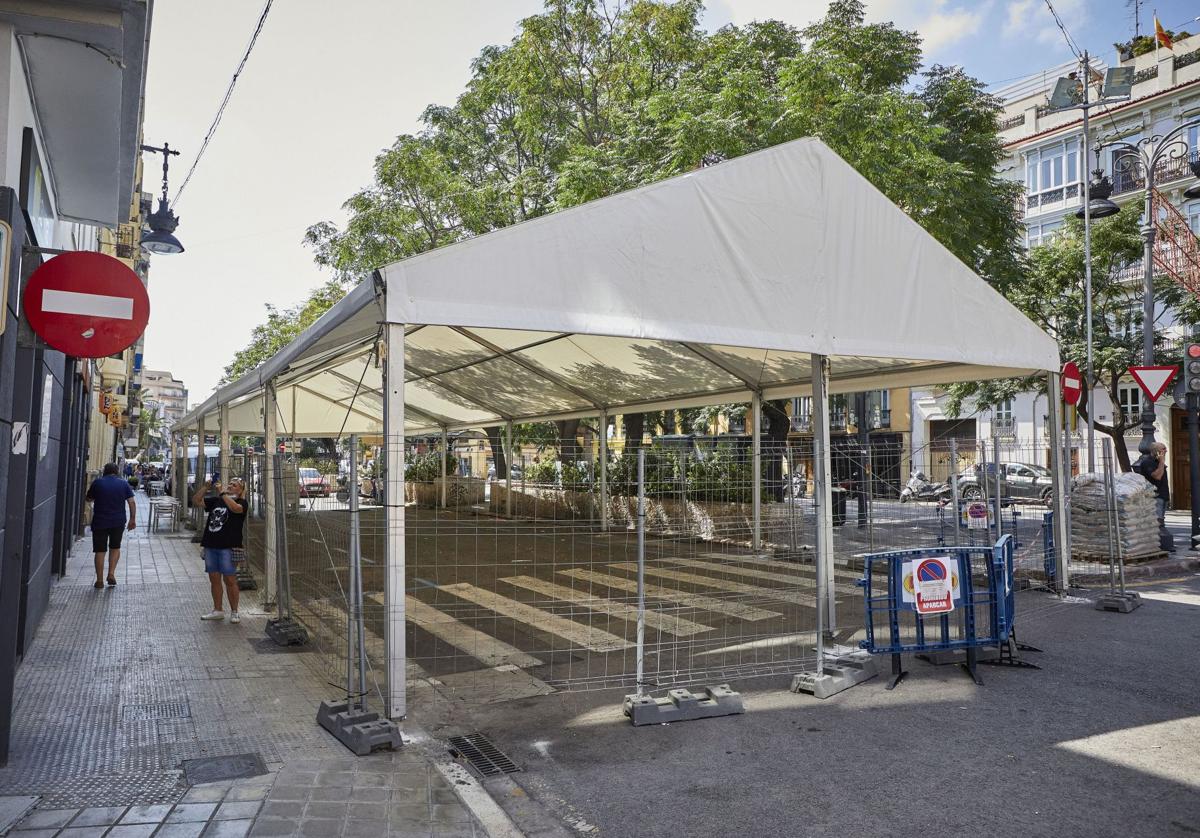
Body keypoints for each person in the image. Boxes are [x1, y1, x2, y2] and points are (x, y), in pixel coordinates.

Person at [193, 478, 248, 623]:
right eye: (229, 484)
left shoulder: (242, 503)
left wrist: (223, 493)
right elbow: (197, 501)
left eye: (234, 485)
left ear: (241, 490)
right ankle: (218, 609)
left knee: (230, 579)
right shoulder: (217, 500)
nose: (230, 486)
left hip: (228, 547)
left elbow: (235, 509)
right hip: (211, 545)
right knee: (214, 578)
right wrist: (205, 487)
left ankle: (234, 611)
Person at [85, 463, 136, 589]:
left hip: (100, 521)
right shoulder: (123, 484)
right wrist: (132, 519)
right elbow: (132, 502)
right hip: (118, 521)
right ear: (117, 472)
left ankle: (99, 580)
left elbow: (89, 499)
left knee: (100, 550)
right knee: (115, 547)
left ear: (105, 471)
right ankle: (111, 573)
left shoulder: (97, 483)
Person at [1133, 441, 1174, 552]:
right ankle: (1158, 546)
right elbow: (1157, 476)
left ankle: (1158, 545)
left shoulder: (1159, 462)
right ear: (1156, 451)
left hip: (1163, 496)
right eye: (1163, 449)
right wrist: (1161, 461)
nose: (1166, 451)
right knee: (1157, 521)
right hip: (1156, 496)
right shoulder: (1147, 462)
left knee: (1160, 520)